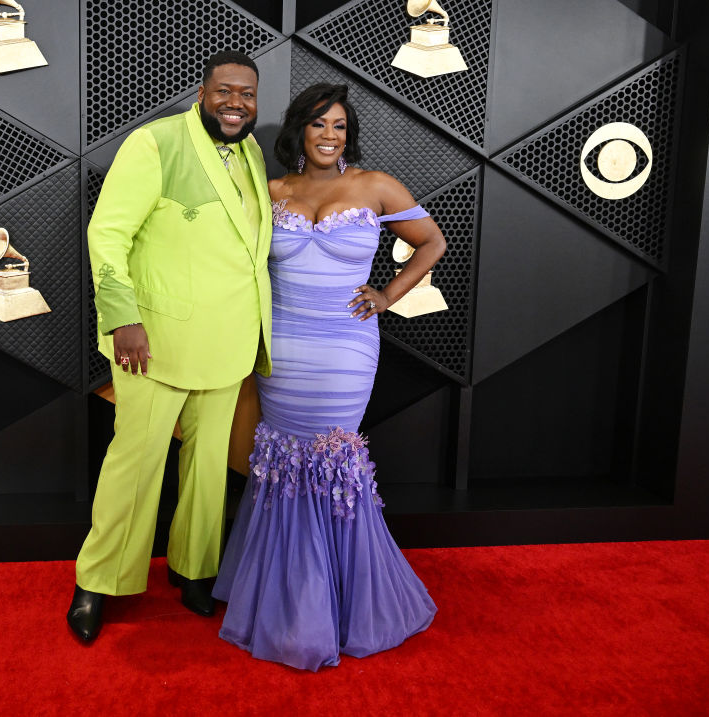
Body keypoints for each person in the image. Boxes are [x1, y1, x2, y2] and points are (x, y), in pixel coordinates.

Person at [212, 83, 445, 671]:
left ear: (348, 134)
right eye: (319, 124)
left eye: (339, 126)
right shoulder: (273, 192)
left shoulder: (376, 186)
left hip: (346, 348)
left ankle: (342, 603)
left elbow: (431, 241)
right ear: (300, 130)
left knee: (330, 457)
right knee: (284, 457)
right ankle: (288, 599)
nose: (330, 135)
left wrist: (387, 295)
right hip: (284, 348)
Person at [67, 51, 273, 643]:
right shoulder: (154, 142)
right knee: (134, 466)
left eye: (247, 94)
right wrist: (122, 318)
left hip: (229, 340)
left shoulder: (253, 152)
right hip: (154, 342)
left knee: (208, 471)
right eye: (225, 91)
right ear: (202, 93)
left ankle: (195, 572)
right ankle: (96, 582)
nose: (236, 104)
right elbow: (108, 233)